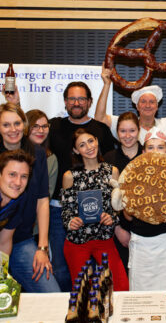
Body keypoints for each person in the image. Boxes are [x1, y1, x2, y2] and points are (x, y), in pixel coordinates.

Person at [0, 103, 59, 292]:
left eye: (17, 123)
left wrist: (42, 248)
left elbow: (42, 201)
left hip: (20, 240)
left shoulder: (37, 153)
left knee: (51, 292)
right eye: (6, 125)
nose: (13, 130)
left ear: (24, 125)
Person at [47, 81, 116, 291]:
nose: (77, 103)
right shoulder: (54, 126)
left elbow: (111, 162)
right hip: (61, 210)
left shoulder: (101, 129)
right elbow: (29, 136)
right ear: (66, 102)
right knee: (62, 267)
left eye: (81, 99)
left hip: (98, 212)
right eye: (72, 99)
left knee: (99, 271)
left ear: (89, 102)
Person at [61, 129, 129, 291]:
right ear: (76, 151)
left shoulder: (112, 172)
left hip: (104, 239)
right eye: (82, 145)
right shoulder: (70, 176)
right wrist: (71, 221)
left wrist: (112, 217)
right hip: (78, 241)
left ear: (97, 141)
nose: (89, 147)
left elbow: (118, 206)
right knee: (83, 291)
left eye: (91, 141)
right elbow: (66, 210)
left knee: (121, 285)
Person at [125, 130, 166, 291]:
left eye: (160, 147)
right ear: (143, 152)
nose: (156, 152)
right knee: (141, 298)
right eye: (151, 147)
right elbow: (128, 217)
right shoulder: (132, 175)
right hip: (141, 243)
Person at [96, 60, 166, 146]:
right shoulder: (126, 125)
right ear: (137, 106)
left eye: (152, 102)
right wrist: (107, 85)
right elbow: (100, 118)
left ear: (157, 106)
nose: (148, 105)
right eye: (143, 102)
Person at [103, 111, 143, 273]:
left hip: (146, 230)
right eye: (123, 131)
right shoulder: (108, 158)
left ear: (139, 131)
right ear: (117, 132)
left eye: (132, 130)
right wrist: (117, 229)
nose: (127, 136)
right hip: (119, 231)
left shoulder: (148, 156)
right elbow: (104, 197)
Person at [26, 109, 58, 197]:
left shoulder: (51, 158)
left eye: (44, 126)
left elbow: (47, 195)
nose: (41, 131)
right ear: (26, 127)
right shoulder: (15, 153)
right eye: (35, 126)